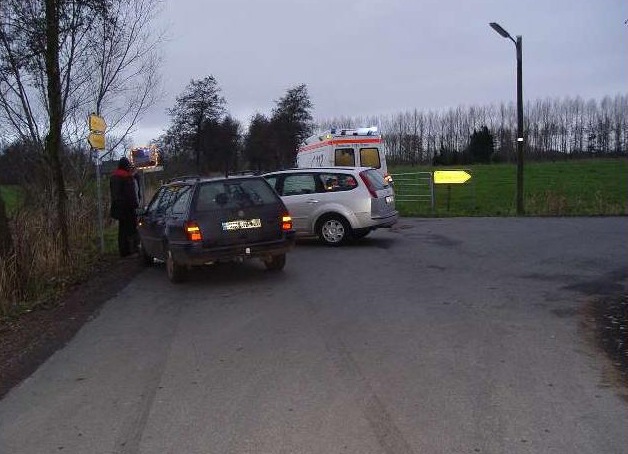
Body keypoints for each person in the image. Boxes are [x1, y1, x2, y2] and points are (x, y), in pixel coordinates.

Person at [109, 157, 139, 257]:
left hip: (118, 207)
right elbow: (131, 194)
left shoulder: (114, 177)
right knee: (131, 229)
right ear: (126, 166)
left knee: (122, 230)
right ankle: (131, 250)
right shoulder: (127, 177)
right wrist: (135, 205)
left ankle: (123, 251)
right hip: (127, 208)